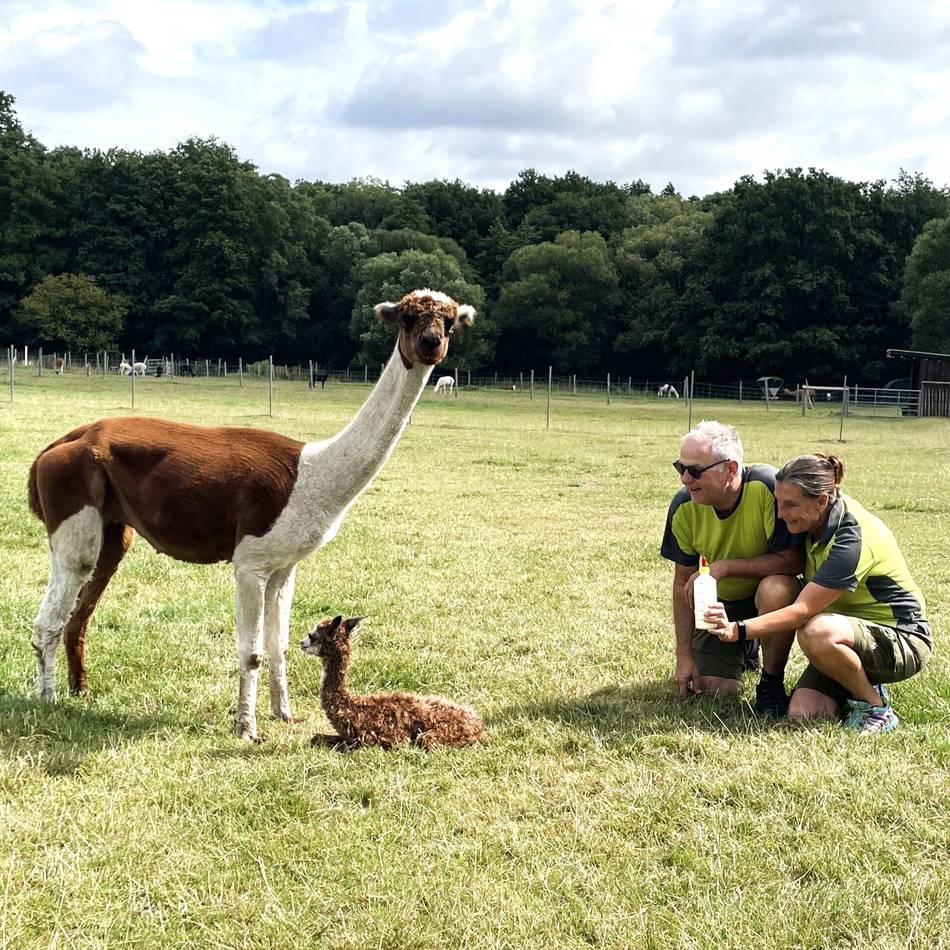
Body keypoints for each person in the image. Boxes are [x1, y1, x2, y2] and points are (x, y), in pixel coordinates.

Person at [704, 453, 932, 734]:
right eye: (778, 502)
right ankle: (856, 678)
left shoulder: (853, 537)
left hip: (901, 638)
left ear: (822, 501)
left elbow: (802, 611)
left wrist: (736, 630)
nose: (780, 513)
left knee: (815, 631)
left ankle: (875, 706)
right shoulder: (810, 521)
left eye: (791, 504)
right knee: (804, 713)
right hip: (845, 634)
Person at [661, 421, 803, 714]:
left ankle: (771, 683)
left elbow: (794, 561)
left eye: (695, 470)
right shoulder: (683, 506)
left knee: (776, 588)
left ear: (731, 468)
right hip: (721, 606)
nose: (685, 479)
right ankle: (747, 648)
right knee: (713, 689)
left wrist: (725, 567)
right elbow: (681, 583)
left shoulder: (767, 487)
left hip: (766, 598)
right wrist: (683, 656)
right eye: (681, 468)